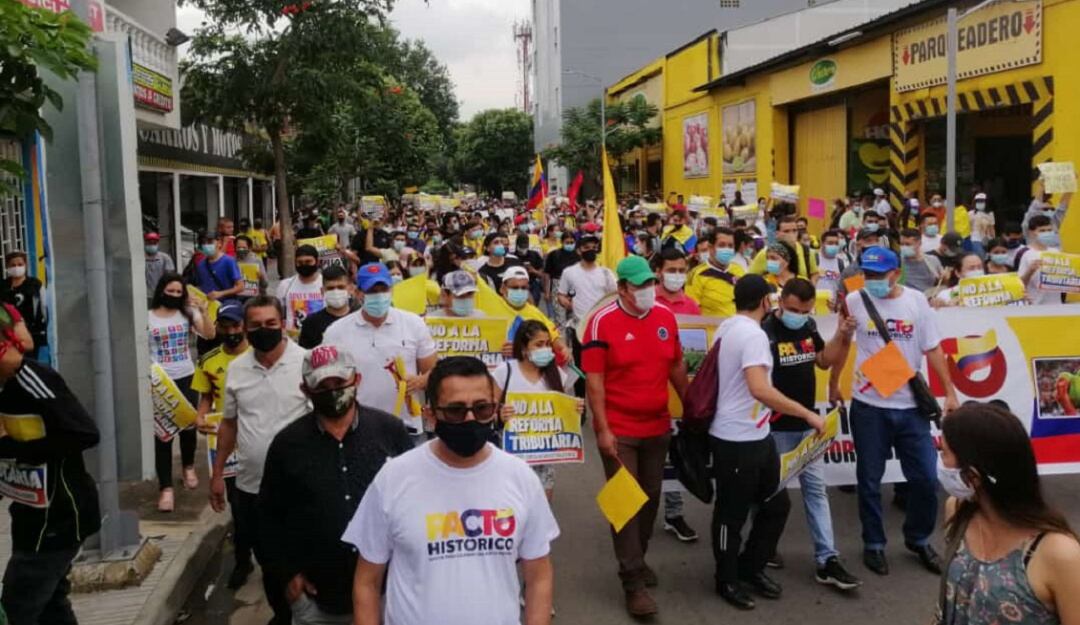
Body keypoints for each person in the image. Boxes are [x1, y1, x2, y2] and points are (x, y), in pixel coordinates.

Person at [345, 356, 559, 625]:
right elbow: (367, 581)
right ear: (431, 414)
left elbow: (538, 577)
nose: (470, 418)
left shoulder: (521, 478)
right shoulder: (394, 478)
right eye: (456, 410)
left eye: (482, 409)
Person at [259, 345, 412, 625]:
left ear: (357, 381)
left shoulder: (390, 431)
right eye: (322, 385)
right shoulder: (287, 444)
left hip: (387, 593)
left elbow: (415, 503)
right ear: (305, 390)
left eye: (339, 383)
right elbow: (268, 518)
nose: (332, 391)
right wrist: (288, 574)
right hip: (319, 601)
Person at [707, 274, 825, 610]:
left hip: (757, 434)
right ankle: (727, 579)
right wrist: (806, 413)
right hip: (736, 437)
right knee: (732, 513)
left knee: (776, 505)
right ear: (764, 302)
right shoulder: (752, 335)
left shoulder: (729, 326)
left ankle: (750, 567)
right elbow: (759, 387)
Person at [581, 256, 689, 617]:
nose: (647, 290)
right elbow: (594, 382)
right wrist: (603, 429)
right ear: (622, 288)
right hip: (620, 428)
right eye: (639, 285)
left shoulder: (665, 317)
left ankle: (637, 559)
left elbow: (675, 364)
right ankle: (632, 582)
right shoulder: (600, 324)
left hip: (657, 425)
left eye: (649, 283)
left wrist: (692, 404)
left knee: (651, 498)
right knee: (625, 502)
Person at [845, 246, 959, 578]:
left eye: (880, 275)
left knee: (925, 478)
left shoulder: (916, 302)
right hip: (868, 406)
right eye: (868, 274)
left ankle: (919, 538)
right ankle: (874, 545)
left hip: (910, 407)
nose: (873, 281)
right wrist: (834, 380)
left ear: (896, 273)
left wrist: (950, 391)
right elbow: (841, 336)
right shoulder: (855, 299)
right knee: (868, 480)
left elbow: (933, 348)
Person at [211, 296, 311, 625]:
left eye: (271, 324)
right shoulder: (237, 368)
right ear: (246, 328)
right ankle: (282, 616)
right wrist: (216, 474)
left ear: (283, 324)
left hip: (301, 486)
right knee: (269, 561)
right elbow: (229, 423)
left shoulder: (306, 363)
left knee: (305, 557)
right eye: (255, 325)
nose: (263, 330)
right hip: (252, 486)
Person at [0, 304, 101, 625]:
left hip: (60, 517)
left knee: (16, 610)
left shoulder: (34, 378)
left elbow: (84, 433)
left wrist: (19, 450)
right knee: (51, 606)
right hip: (28, 515)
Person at [937, 403, 1080, 625]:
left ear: (972, 476)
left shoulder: (1060, 554)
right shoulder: (957, 511)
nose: (939, 462)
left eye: (943, 452)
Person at [762, 278, 861, 591]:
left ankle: (827, 560)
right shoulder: (765, 333)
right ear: (780, 303)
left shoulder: (807, 327)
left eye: (805, 311)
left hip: (808, 427)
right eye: (793, 309)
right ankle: (761, 547)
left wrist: (841, 336)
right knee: (768, 495)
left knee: (816, 492)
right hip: (775, 428)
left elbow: (822, 360)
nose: (799, 315)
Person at [323, 263, 437, 444]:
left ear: (391, 290)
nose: (378, 296)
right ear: (358, 293)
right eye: (371, 291)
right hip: (357, 428)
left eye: (383, 289)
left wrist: (422, 380)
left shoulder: (413, 324)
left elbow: (434, 371)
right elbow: (328, 381)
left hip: (407, 427)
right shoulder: (336, 332)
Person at [190, 303, 251, 589]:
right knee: (238, 506)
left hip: (256, 435)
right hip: (226, 441)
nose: (232, 331)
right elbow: (204, 398)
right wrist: (200, 417)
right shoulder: (209, 360)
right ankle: (242, 560)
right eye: (226, 326)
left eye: (237, 325)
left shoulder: (259, 356)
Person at [492, 320, 579, 501]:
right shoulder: (504, 371)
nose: (546, 349)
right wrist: (499, 415)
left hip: (544, 459)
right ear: (524, 347)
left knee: (542, 509)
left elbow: (562, 411)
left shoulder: (555, 374)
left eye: (548, 344)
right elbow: (488, 411)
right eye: (539, 344)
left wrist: (574, 410)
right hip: (511, 456)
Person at [148, 273, 214, 511]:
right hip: (159, 382)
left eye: (179, 292)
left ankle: (188, 466)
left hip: (186, 376)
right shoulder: (147, 317)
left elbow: (210, 334)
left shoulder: (188, 313)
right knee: (162, 435)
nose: (175, 296)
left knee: (188, 427)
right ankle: (165, 488)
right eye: (171, 291)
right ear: (161, 291)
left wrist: (204, 311)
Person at [500, 266, 570, 360]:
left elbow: (553, 336)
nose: (520, 291)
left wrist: (563, 348)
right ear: (503, 288)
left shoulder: (535, 313)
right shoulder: (493, 307)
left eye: (524, 288)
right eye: (515, 287)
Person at [686, 227, 746, 318]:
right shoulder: (696, 274)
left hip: (737, 328)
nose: (727, 249)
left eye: (730, 246)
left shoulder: (739, 270)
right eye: (722, 245)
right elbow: (692, 310)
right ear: (711, 247)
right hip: (711, 330)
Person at [557, 235, 616, 324]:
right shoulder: (569, 272)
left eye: (594, 247)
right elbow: (561, 295)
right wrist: (566, 303)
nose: (591, 250)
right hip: (579, 322)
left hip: (601, 321)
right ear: (579, 251)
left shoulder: (606, 273)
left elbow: (615, 294)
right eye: (586, 247)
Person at [2, 251, 46, 361]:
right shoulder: (3, 286)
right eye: (13, 265)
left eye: (20, 264)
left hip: (30, 334)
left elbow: (44, 309)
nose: (16, 268)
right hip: (8, 336)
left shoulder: (35, 285)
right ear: (7, 267)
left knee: (29, 363)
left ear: (25, 265)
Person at [298, 265, 357, 349]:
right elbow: (305, 356)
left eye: (341, 287)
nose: (336, 291)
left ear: (350, 289)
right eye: (330, 288)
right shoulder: (311, 323)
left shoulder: (360, 319)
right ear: (322, 291)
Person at [748, 216, 818, 281]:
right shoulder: (766, 253)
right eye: (786, 231)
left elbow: (814, 273)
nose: (791, 234)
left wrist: (810, 288)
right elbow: (750, 277)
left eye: (794, 230)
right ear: (777, 234)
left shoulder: (807, 252)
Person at [276, 244, 325, 336]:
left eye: (308, 261)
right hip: (293, 338)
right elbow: (278, 312)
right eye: (300, 262)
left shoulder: (326, 284)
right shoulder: (285, 285)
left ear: (317, 262)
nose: (304, 265)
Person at [1019, 215, 1066, 306]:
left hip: (1056, 305)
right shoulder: (1026, 253)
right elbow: (1020, 284)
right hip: (1035, 306)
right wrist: (1030, 271)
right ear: (1031, 233)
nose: (1047, 233)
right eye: (1042, 231)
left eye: (1049, 230)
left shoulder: (1057, 253)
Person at [193, 231, 244, 302]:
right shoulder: (201, 264)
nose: (206, 245)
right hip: (208, 306)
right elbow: (201, 286)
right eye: (203, 243)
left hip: (226, 305)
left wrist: (221, 293)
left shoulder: (228, 261)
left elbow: (240, 287)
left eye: (210, 242)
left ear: (219, 243)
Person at [544, 231, 580, 325]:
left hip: (575, 288)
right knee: (560, 318)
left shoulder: (578, 256)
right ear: (562, 242)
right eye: (567, 242)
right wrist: (547, 292)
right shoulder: (554, 255)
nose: (569, 244)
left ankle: (571, 338)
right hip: (558, 287)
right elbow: (547, 274)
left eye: (572, 242)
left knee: (574, 319)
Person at [899, 228, 944, 293]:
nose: (904, 247)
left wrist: (944, 277)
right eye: (902, 244)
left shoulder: (932, 260)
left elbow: (942, 280)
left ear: (919, 243)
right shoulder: (897, 262)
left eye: (908, 244)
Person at [816, 229, 848, 297]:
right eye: (830, 243)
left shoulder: (841, 263)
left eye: (836, 243)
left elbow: (845, 287)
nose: (834, 246)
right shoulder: (814, 259)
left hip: (833, 304)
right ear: (822, 243)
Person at [235, 235, 268, 299]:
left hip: (254, 298)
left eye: (244, 247)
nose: (241, 250)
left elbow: (265, 284)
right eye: (238, 247)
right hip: (238, 297)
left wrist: (261, 277)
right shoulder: (232, 261)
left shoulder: (257, 260)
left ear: (249, 248)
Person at [143, 232, 175, 298]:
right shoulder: (140, 258)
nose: (151, 245)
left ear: (157, 244)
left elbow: (170, 276)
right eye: (149, 242)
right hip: (144, 295)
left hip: (161, 294)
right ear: (145, 243)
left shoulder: (165, 258)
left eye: (154, 243)